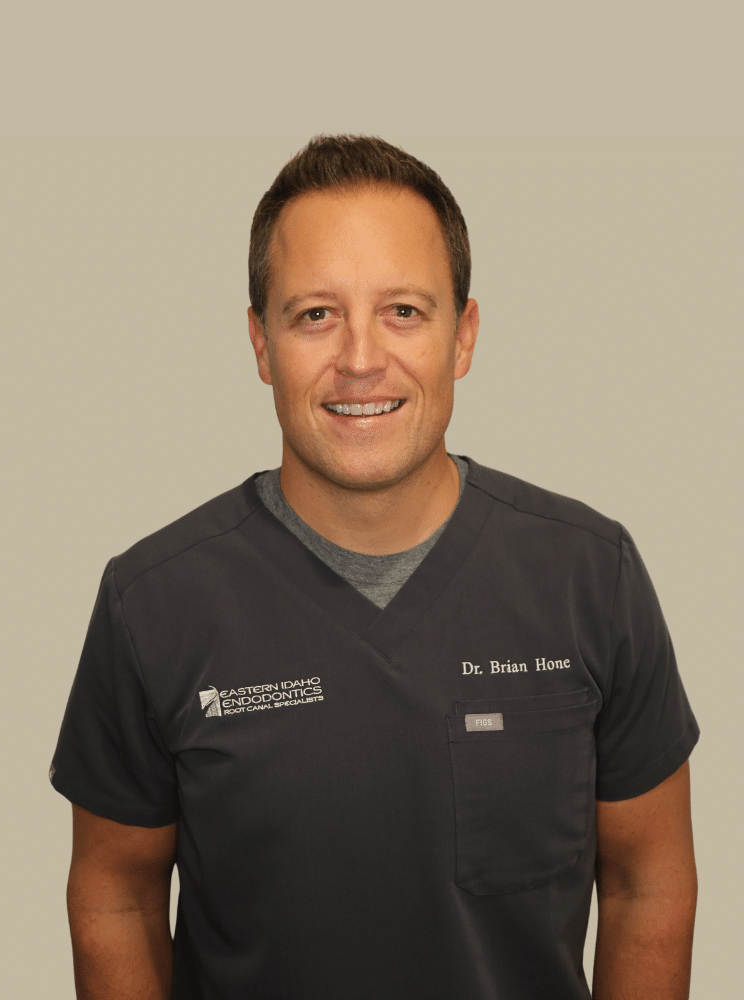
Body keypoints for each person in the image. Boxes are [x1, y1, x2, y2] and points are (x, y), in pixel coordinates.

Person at [51, 135, 700, 1000]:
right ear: (260, 343)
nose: (360, 359)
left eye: (403, 311)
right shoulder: (153, 603)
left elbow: (647, 880)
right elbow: (117, 895)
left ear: (463, 336)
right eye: (315, 314)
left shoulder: (591, 577)